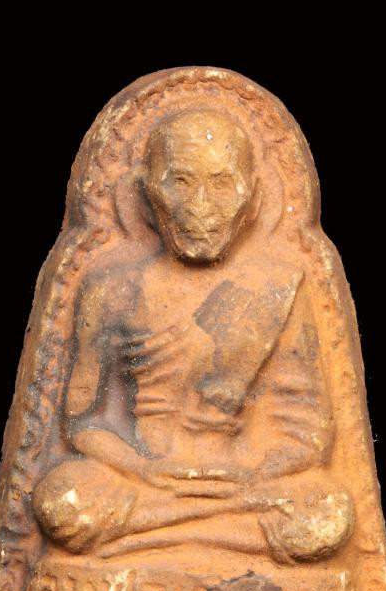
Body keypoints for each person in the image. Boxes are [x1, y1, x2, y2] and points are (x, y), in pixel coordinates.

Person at [33, 110, 353, 561]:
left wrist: (250, 475)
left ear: (253, 194)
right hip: (142, 479)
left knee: (326, 512)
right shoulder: (111, 290)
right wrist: (141, 470)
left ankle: (146, 540)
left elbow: (310, 432)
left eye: (222, 184)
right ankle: (210, 538)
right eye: (180, 182)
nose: (200, 205)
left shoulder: (278, 287)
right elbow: (83, 421)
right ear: (146, 191)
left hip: (239, 485)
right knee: (61, 500)